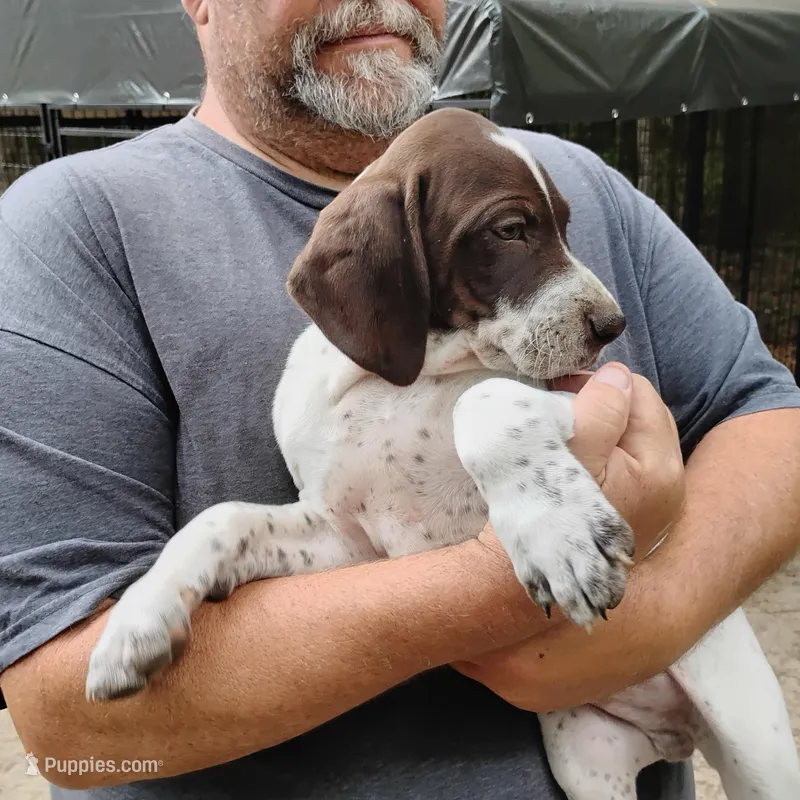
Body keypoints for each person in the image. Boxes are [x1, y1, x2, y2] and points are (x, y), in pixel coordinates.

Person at [0, 0, 798, 797]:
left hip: (681, 671)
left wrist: (658, 612)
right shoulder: (70, 230)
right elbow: (68, 727)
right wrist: (494, 601)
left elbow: (774, 418)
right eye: (515, 232)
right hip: (584, 736)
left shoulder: (560, 176)